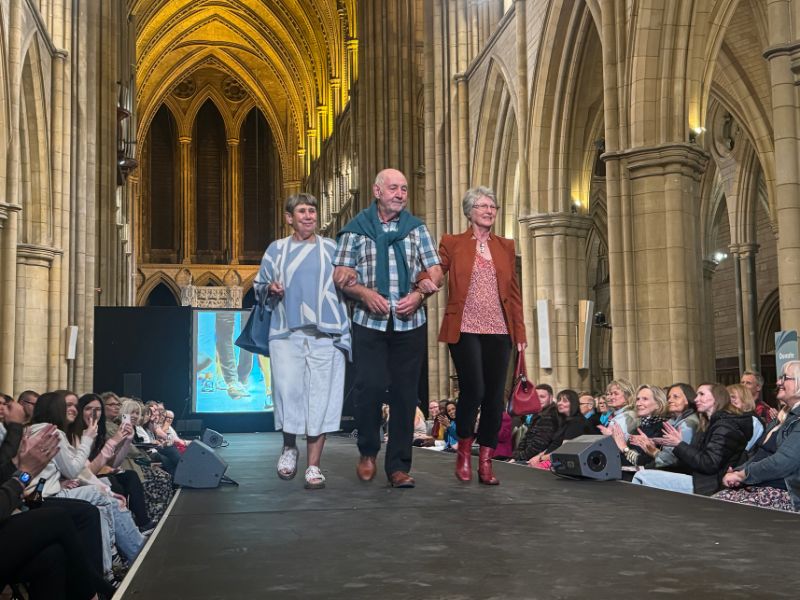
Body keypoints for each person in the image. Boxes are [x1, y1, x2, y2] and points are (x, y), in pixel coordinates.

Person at [332, 168, 442, 488]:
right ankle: (367, 451)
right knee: (370, 387)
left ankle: (398, 467)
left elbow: (435, 271)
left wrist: (420, 293)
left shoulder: (416, 229)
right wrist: (363, 292)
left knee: (406, 396)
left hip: (410, 322)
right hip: (369, 322)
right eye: (393, 188)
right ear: (377, 192)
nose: (400, 194)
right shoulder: (356, 230)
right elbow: (341, 274)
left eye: (404, 189)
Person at [255, 193, 351, 490]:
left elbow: (347, 280)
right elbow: (259, 285)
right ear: (289, 218)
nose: (308, 216)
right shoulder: (277, 250)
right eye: (302, 211)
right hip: (287, 332)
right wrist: (270, 288)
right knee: (288, 392)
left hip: (326, 332)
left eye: (312, 211)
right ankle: (289, 447)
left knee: (320, 398)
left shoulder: (331, 248)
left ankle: (313, 466)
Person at [433, 186, 527, 485]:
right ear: (469, 211)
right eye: (483, 206)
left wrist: (520, 332)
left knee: (494, 399)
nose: (490, 211)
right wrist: (423, 282)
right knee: (473, 390)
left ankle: (485, 462)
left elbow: (513, 294)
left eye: (493, 206)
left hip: (499, 329)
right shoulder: (453, 242)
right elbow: (437, 270)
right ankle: (463, 453)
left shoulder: (506, 246)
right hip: (464, 327)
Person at [631, 383, 752, 496]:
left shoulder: (725, 427)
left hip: (708, 484)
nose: (696, 399)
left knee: (641, 476)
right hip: (700, 479)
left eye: (702, 394)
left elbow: (709, 464)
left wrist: (679, 445)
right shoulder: (709, 424)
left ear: (716, 398)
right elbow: (695, 458)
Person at [718, 361, 800, 511]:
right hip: (759, 484)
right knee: (711, 506)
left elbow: (782, 462)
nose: (778, 382)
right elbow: (757, 455)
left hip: (784, 493)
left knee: (717, 511)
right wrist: (738, 471)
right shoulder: (781, 417)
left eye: (785, 378)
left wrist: (742, 475)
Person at [526, 389, 597, 469]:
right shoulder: (566, 421)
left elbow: (564, 450)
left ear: (573, 404)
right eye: (559, 400)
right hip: (550, 460)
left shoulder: (577, 422)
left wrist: (540, 458)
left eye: (565, 401)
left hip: (559, 464)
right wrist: (538, 456)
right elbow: (554, 446)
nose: (559, 403)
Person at [609, 384, 669, 468]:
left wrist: (624, 448)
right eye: (637, 399)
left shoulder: (662, 429)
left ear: (658, 404)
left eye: (645, 399)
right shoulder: (639, 427)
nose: (638, 403)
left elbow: (645, 463)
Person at [727, 383, 764, 451]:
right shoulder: (726, 418)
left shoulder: (754, 421)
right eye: (727, 398)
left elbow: (744, 449)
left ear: (745, 399)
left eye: (733, 397)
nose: (729, 401)